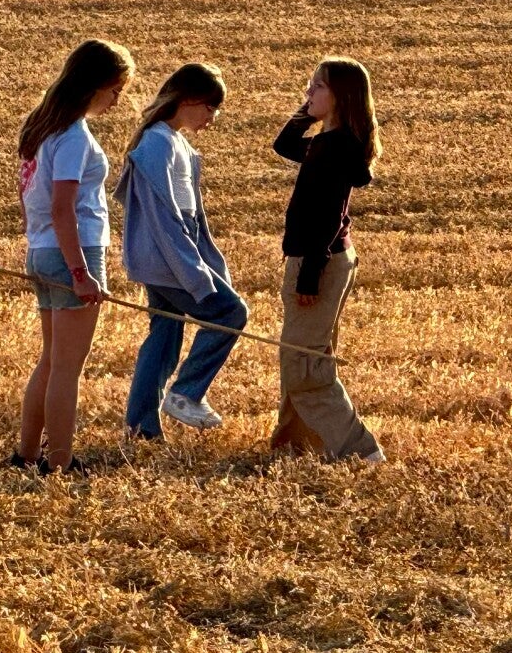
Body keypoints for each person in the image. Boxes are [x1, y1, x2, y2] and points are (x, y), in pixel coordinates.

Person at [12, 39, 134, 474]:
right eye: (115, 90)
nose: (117, 100)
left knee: (50, 360)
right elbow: (63, 207)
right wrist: (81, 272)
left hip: (42, 250)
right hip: (73, 252)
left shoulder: (42, 127)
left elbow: (28, 198)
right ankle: (60, 463)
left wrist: (37, 238)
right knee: (67, 367)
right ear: (94, 85)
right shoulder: (74, 137)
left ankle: (28, 454)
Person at [116, 63, 248, 440]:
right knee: (231, 312)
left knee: (164, 337)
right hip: (170, 261)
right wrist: (193, 273)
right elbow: (164, 220)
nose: (213, 117)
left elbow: (191, 221)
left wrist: (206, 263)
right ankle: (186, 393)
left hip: (168, 260)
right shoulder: (158, 142)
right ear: (189, 99)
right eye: (210, 107)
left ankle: (141, 428)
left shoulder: (176, 143)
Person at [270, 59, 385, 463]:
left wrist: (309, 274)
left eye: (317, 87)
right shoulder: (331, 143)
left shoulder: (334, 148)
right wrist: (308, 111)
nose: (308, 92)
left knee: (305, 367)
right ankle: (296, 446)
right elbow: (284, 145)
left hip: (318, 261)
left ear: (341, 96)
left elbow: (327, 217)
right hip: (330, 258)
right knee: (302, 356)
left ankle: (360, 450)